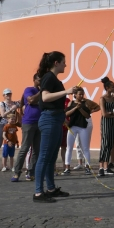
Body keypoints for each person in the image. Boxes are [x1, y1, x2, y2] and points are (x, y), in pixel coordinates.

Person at [33, 51, 77, 203]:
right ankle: (38, 193)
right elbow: (44, 97)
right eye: (64, 61)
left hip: (56, 118)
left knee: (51, 158)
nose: (66, 64)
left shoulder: (53, 79)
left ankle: (50, 189)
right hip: (49, 119)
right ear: (56, 63)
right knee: (44, 157)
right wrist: (66, 91)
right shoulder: (48, 77)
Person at [12, 74, 41, 182]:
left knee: (36, 150)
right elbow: (31, 100)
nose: (41, 81)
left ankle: (31, 172)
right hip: (29, 122)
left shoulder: (43, 92)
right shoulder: (29, 89)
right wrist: (41, 92)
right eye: (39, 80)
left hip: (40, 122)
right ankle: (17, 172)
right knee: (24, 148)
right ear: (34, 80)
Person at [64, 88, 93, 175]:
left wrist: (80, 109)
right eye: (79, 94)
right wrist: (75, 108)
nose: (81, 96)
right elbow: (66, 114)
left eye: (82, 94)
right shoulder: (71, 103)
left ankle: (87, 167)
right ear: (75, 95)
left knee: (85, 148)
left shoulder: (85, 103)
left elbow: (87, 116)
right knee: (69, 147)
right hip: (72, 127)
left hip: (82, 128)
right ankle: (67, 167)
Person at [0, 89, 20, 170]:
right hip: (2, 124)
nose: (8, 96)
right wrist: (11, 109)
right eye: (6, 94)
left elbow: (24, 102)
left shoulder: (15, 103)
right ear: (3, 95)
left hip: (12, 126)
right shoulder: (2, 103)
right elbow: (2, 115)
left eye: (9, 94)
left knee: (11, 143)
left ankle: (10, 165)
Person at [98, 77, 114, 176]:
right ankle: (101, 167)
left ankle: (106, 167)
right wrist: (112, 113)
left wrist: (111, 113)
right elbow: (104, 114)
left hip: (112, 122)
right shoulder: (102, 98)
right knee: (104, 144)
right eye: (112, 87)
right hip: (105, 122)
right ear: (107, 88)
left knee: (110, 144)